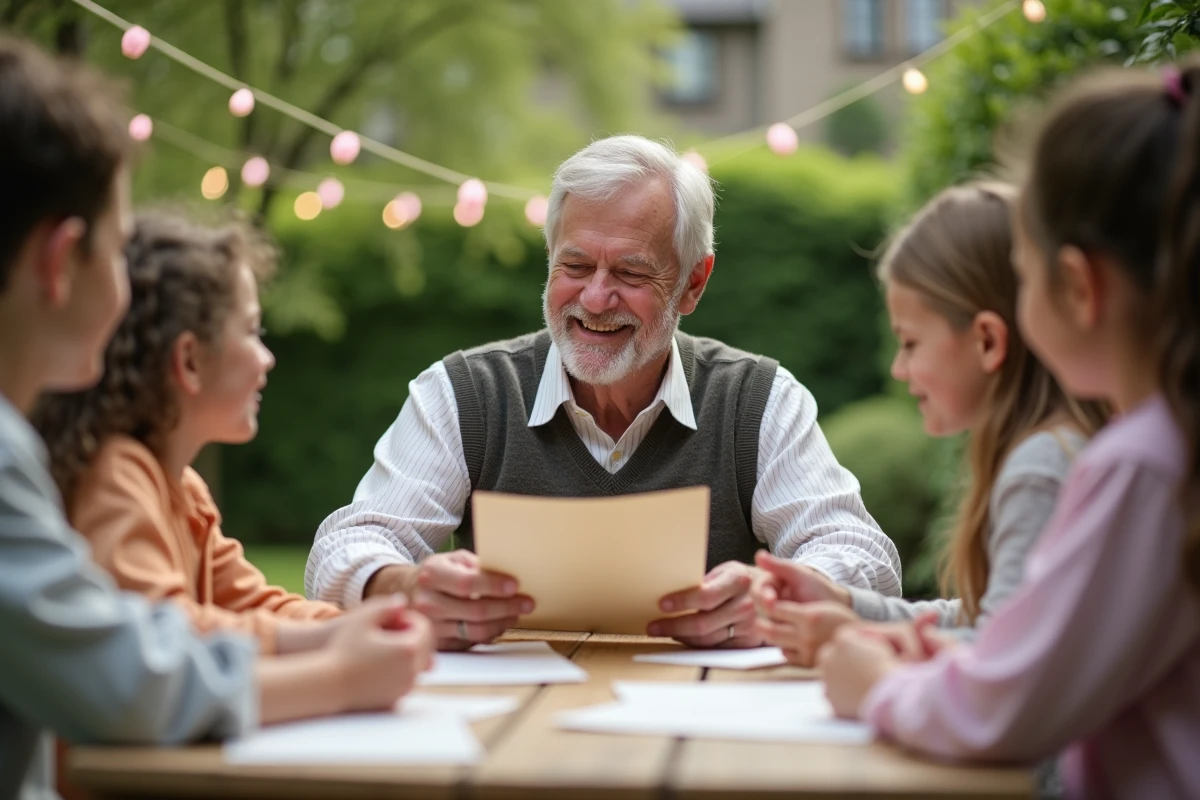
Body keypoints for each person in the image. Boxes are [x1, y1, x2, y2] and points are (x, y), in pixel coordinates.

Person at [0, 35, 432, 800]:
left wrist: (351, 627)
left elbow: (218, 611)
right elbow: (129, 671)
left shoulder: (166, 484)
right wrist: (335, 667)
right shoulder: (67, 466)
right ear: (61, 259)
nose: (126, 287)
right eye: (112, 247)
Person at [306, 134, 902, 651]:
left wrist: (770, 595)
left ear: (693, 284)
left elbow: (862, 554)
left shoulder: (759, 399)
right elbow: (347, 545)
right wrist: (402, 585)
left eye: (630, 272)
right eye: (574, 266)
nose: (594, 298)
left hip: (702, 724)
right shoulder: (464, 393)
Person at [819, 62, 1200, 799]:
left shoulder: (1143, 466)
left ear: (1080, 286)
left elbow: (1010, 706)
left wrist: (877, 687)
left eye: (1023, 276)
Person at [749, 183, 1106, 666]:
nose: (898, 368)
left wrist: (862, 640)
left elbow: (1003, 659)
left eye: (911, 343)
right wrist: (845, 603)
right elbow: (985, 618)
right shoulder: (1049, 450)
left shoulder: (1041, 468)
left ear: (986, 341)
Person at [34, 211, 342, 655]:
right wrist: (332, 642)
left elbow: (253, 604)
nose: (267, 359)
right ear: (190, 361)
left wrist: (379, 623)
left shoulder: (184, 488)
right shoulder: (117, 475)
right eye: (253, 331)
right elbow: (165, 631)